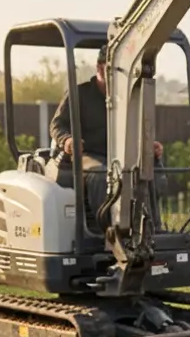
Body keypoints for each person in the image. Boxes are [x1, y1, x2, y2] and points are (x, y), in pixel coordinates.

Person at [50, 50, 163, 225]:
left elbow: (139, 126)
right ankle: (109, 234)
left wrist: (150, 144)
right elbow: (57, 124)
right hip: (87, 153)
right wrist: (67, 140)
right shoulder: (79, 94)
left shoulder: (127, 98)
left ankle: (152, 230)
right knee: (102, 176)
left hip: (121, 154)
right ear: (100, 68)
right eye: (110, 70)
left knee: (150, 170)